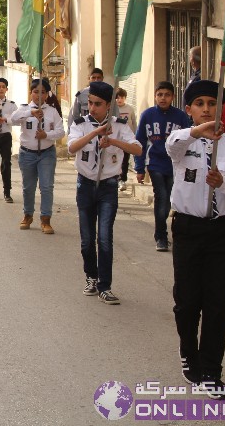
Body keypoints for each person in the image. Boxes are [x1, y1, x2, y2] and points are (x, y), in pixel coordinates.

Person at [166, 79, 225, 397]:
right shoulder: (184, 142)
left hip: (222, 230)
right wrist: (198, 131)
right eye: (200, 104)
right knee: (187, 302)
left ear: (222, 108)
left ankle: (211, 371)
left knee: (218, 304)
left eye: (213, 103)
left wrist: (223, 183)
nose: (207, 109)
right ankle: (188, 355)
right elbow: (171, 146)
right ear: (189, 110)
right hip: (188, 229)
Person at [67, 81, 142, 305]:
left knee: (105, 238)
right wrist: (96, 133)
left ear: (108, 105)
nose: (92, 108)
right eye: (90, 103)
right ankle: (90, 276)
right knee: (87, 240)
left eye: (97, 104)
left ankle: (105, 286)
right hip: (86, 185)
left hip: (108, 187)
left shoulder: (119, 125)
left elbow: (137, 148)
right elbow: (71, 147)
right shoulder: (81, 124)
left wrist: (113, 140)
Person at [135, 81, 191, 251]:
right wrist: (139, 168)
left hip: (175, 165)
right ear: (155, 96)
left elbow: (189, 140)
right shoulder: (147, 115)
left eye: (167, 95)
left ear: (173, 97)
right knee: (162, 197)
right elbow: (140, 141)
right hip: (155, 163)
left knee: (170, 200)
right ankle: (161, 236)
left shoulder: (181, 117)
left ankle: (170, 231)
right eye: (160, 95)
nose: (163, 98)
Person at [11, 78, 66, 234]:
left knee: (47, 186)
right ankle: (28, 215)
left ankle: (46, 219)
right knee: (28, 187)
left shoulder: (52, 111)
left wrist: (46, 135)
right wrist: (31, 112)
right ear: (31, 93)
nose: (39, 95)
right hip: (27, 154)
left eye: (43, 92)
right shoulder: (23, 109)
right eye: (36, 92)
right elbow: (13, 120)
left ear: (47, 94)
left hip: (46, 154)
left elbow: (61, 131)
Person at [114, 88, 138, 192]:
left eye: (122, 97)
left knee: (125, 160)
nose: (119, 100)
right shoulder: (113, 109)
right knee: (116, 159)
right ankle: (114, 178)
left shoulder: (130, 109)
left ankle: (122, 179)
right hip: (116, 139)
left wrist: (135, 136)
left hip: (127, 139)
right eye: (117, 97)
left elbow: (134, 122)